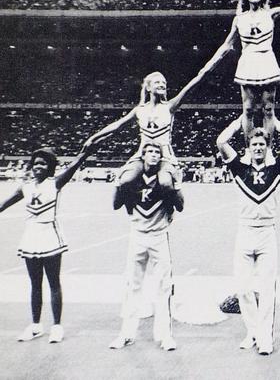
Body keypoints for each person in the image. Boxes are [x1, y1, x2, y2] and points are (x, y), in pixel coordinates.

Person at [216, 114, 280, 355]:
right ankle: (252, 331)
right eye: (254, 145)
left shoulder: (277, 168)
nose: (259, 147)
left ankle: (265, 338)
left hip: (266, 233)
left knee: (266, 288)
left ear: (267, 147)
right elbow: (221, 142)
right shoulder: (238, 168)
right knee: (242, 288)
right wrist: (240, 121)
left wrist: (274, 121)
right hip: (244, 231)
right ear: (248, 148)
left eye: (262, 144)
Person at [84, 64, 217, 208]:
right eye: (157, 82)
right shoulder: (139, 110)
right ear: (148, 88)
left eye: (164, 83)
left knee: (166, 183)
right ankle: (133, 206)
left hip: (164, 155)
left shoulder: (170, 106)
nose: (162, 85)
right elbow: (117, 125)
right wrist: (93, 137)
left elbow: (195, 81)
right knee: (126, 181)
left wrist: (218, 56)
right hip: (142, 155)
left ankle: (168, 208)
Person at [0, 144, 94, 343]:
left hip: (50, 235)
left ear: (50, 167)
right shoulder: (25, 188)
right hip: (30, 236)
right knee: (35, 284)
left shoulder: (55, 183)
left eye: (43, 163)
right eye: (35, 163)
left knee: (53, 282)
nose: (38, 167)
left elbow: (76, 165)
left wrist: (87, 149)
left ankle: (56, 326)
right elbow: (3, 204)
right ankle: (35, 326)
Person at [204, 0, 280, 145]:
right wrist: (210, 64)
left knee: (269, 109)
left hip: (266, 60)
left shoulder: (270, 14)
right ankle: (248, 149)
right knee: (248, 109)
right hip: (248, 62)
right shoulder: (239, 19)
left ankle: (269, 149)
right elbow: (227, 44)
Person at [109, 142, 184, 351]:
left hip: (159, 236)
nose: (153, 155)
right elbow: (116, 205)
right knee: (132, 286)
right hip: (137, 235)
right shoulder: (133, 178)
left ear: (161, 157)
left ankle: (165, 335)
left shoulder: (164, 178)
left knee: (164, 287)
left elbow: (180, 206)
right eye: (149, 151)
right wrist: (119, 182)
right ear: (142, 156)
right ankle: (126, 334)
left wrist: (176, 184)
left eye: (156, 152)